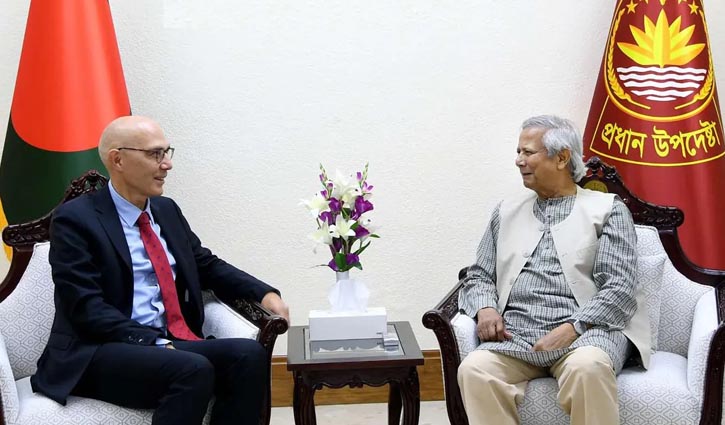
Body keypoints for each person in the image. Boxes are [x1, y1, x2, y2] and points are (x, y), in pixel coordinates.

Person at [30, 115, 290, 425]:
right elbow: (85, 307)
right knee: (191, 368)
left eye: (167, 152)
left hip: (168, 343)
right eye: (155, 154)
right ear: (118, 160)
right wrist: (156, 343)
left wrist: (264, 293)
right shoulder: (75, 219)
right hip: (98, 350)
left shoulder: (166, 210)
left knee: (248, 355)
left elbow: (205, 264)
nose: (167, 164)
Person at [456, 115, 649, 425]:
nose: (519, 161)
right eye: (518, 152)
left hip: (587, 335)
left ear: (561, 158)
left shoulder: (608, 209)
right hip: (516, 336)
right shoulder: (505, 211)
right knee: (475, 370)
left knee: (588, 367)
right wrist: (486, 308)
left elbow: (619, 288)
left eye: (528, 152)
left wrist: (572, 328)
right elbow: (479, 274)